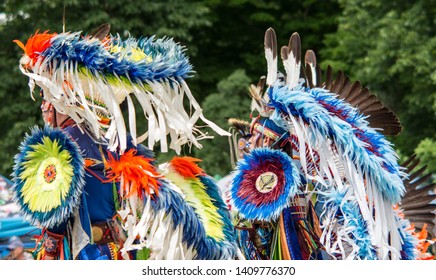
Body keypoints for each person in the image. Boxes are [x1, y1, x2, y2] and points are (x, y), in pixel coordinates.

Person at [12, 24, 238, 260]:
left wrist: (48, 253)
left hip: (83, 256)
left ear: (58, 104)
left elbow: (54, 215)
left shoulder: (59, 146)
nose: (44, 110)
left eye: (45, 102)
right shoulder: (119, 142)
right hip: (120, 253)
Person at [226, 28, 435, 260]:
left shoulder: (334, 191)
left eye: (261, 140)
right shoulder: (256, 187)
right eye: (253, 141)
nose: (253, 146)